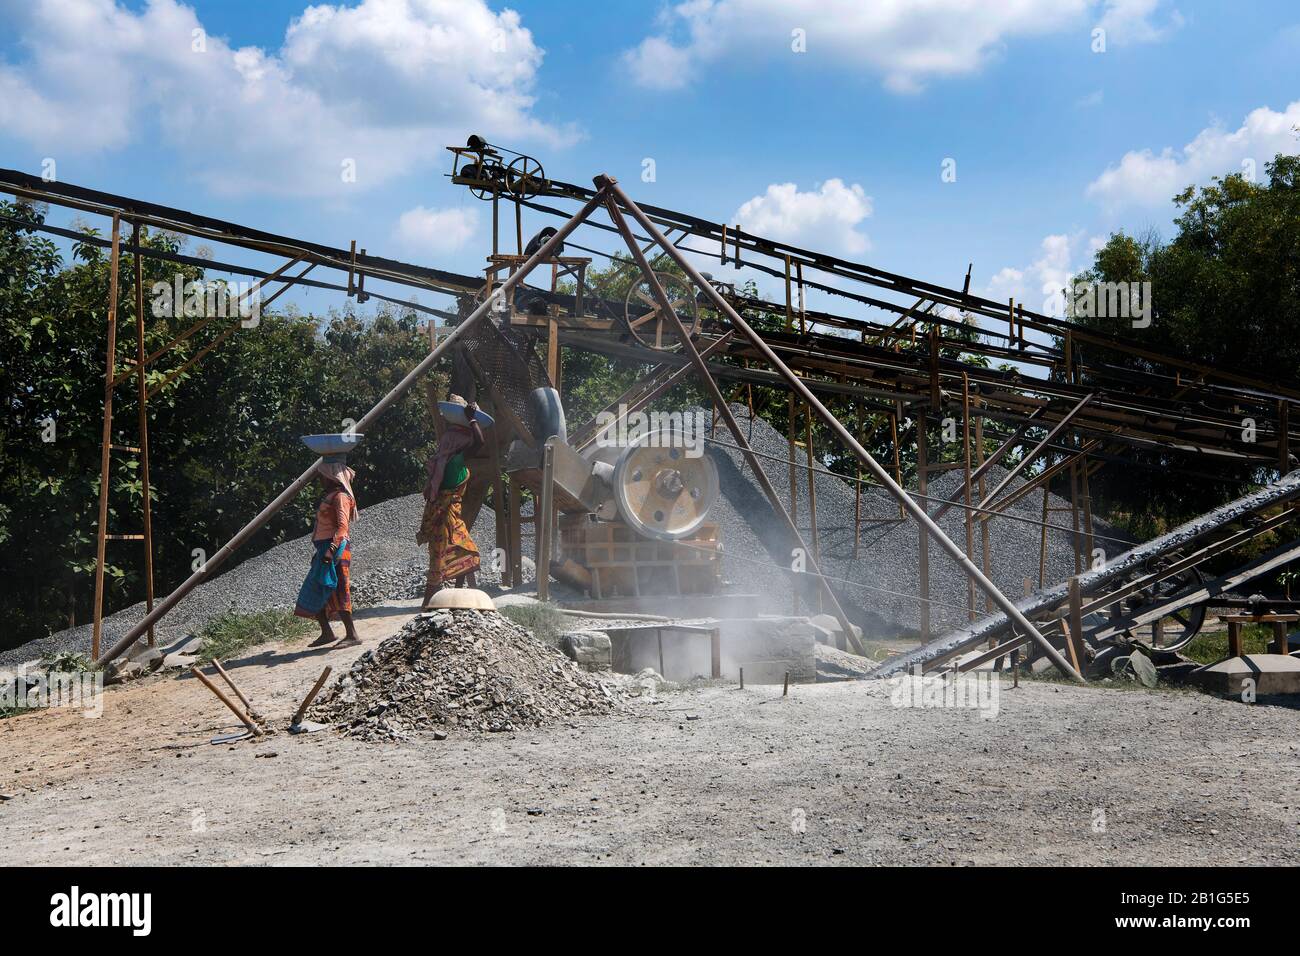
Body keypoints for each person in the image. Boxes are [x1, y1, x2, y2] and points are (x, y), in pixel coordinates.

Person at [418, 394, 485, 607]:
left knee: (457, 552)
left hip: (442, 513)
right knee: (455, 554)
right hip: (447, 515)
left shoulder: (442, 461)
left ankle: (454, 596)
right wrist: (473, 419)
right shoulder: (455, 460)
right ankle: (429, 603)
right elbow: (480, 441)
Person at [294, 460, 361, 648]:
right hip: (325, 550)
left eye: (322, 476)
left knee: (340, 589)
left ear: (331, 477)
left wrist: (330, 552)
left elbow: (342, 528)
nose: (320, 479)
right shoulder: (331, 496)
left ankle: (352, 635)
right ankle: (327, 632)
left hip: (335, 550)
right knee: (316, 588)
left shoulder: (340, 497)